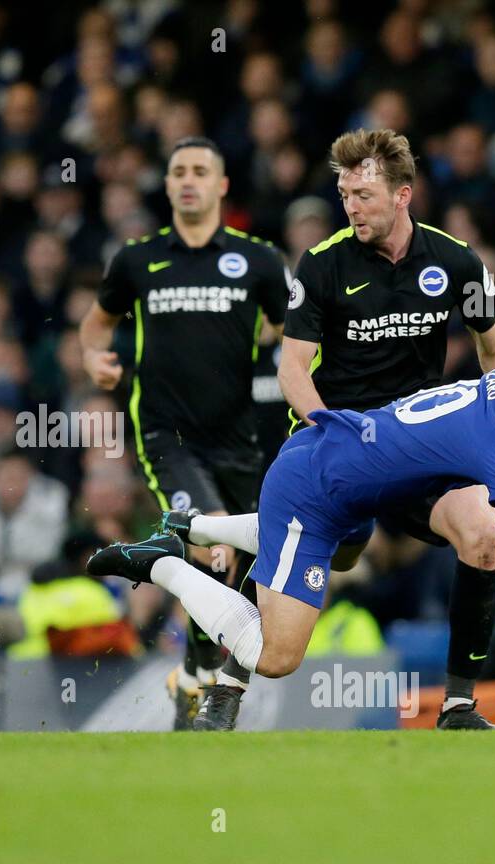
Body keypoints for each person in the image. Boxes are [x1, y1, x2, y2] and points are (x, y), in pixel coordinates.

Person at [89, 367, 495, 730]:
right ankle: (161, 562)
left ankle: (195, 529)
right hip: (314, 492)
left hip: (343, 491)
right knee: (277, 658)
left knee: (329, 553)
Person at [223, 127, 495, 732]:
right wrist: (326, 426)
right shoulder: (323, 264)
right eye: (344, 195)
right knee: (293, 636)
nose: (352, 207)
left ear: (403, 195)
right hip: (341, 453)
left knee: (484, 532)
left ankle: (460, 705)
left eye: (363, 194)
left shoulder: (455, 260)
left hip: (422, 450)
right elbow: (291, 370)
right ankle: (226, 667)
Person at [79, 135, 288, 729]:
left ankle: (193, 676)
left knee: (243, 568)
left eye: (201, 170)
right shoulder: (137, 260)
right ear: (168, 186)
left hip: (241, 437)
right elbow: (94, 328)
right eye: (178, 172)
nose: (189, 180)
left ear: (222, 185)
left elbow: (291, 333)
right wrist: (95, 360)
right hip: (167, 435)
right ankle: (200, 679)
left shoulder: (259, 261)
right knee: (211, 548)